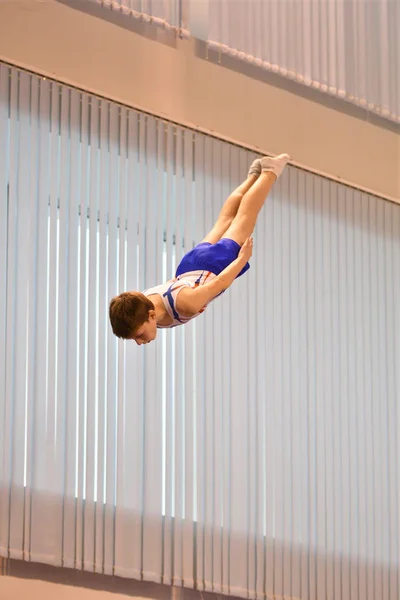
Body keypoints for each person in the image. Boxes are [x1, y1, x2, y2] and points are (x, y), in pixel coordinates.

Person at [109, 153, 290, 345]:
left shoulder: (187, 305)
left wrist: (241, 259)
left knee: (245, 217)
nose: (139, 342)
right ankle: (254, 174)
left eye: (139, 335)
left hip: (214, 266)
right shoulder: (142, 302)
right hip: (188, 267)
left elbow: (220, 283)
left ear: (151, 315)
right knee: (225, 220)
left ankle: (269, 172)